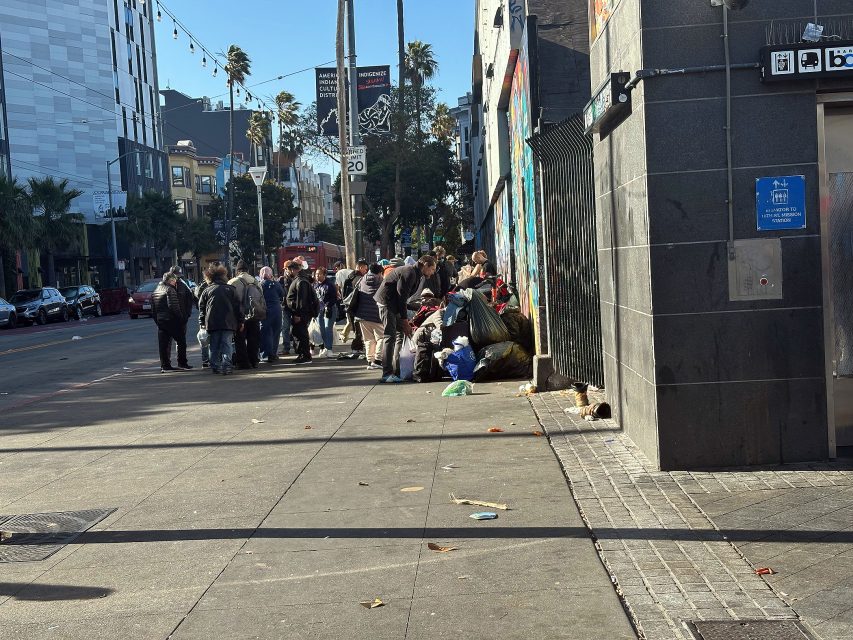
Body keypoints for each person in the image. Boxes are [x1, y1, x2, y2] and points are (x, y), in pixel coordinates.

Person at [374, 255, 437, 383]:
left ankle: (397, 370)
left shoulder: (416, 274)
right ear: (425, 265)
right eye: (432, 268)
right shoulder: (410, 272)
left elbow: (403, 298)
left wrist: (414, 307)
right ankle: (387, 374)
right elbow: (401, 296)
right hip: (387, 304)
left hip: (393, 304)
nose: (433, 272)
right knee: (389, 337)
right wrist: (404, 320)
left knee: (399, 335)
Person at [197, 262, 241, 375]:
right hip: (229, 322)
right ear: (224, 276)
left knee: (214, 345)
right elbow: (238, 307)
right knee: (227, 345)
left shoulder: (207, 290)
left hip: (212, 323)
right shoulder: (231, 289)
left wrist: (202, 322)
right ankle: (227, 366)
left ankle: (215, 366)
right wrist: (241, 321)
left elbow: (202, 308)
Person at [151, 271, 190, 372]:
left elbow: (153, 310)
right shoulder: (170, 290)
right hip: (172, 321)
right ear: (170, 280)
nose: (175, 283)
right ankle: (182, 363)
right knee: (181, 341)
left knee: (163, 345)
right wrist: (181, 319)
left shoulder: (156, 291)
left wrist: (158, 321)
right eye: (174, 281)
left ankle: (165, 365)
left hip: (161, 321)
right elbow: (174, 307)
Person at [229, 260, 262, 369]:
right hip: (254, 314)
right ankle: (254, 360)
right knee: (254, 339)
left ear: (237, 271)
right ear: (247, 270)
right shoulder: (255, 281)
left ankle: (243, 362)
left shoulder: (232, 282)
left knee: (240, 339)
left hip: (240, 316)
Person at [285, 261, 317, 364]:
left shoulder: (301, 281)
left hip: (300, 313)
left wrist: (298, 314)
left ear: (293, 269)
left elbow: (301, 300)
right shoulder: (300, 279)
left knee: (301, 334)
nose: (287, 272)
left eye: (288, 270)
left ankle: (305, 356)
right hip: (300, 312)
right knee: (298, 333)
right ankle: (302, 354)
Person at [339, 259, 368, 343]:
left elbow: (343, 294)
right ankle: (357, 346)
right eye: (365, 269)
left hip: (349, 306)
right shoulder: (361, 279)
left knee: (355, 329)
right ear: (360, 267)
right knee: (359, 330)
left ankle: (356, 347)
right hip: (359, 307)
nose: (366, 271)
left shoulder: (348, 278)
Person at [259, 266, 284, 362]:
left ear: (261, 275)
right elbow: (282, 294)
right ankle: (273, 354)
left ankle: (266, 354)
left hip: (265, 311)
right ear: (271, 275)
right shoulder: (276, 284)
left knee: (266, 332)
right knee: (276, 332)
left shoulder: (260, 285)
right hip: (277, 310)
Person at [313, 265, 338, 358]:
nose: (317, 276)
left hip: (329, 309)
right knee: (322, 329)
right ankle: (325, 348)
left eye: (319, 274)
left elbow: (334, 298)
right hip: (319, 310)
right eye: (316, 274)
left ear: (324, 275)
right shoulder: (315, 285)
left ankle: (329, 349)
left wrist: (328, 306)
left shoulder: (330, 285)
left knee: (328, 328)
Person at [194, 268, 212, 368]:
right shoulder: (209, 286)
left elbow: (198, 301)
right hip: (210, 315)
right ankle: (211, 359)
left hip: (203, 315)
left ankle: (205, 360)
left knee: (204, 339)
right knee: (211, 339)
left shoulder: (201, 286)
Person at [278, 263, 295, 355]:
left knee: (296, 328)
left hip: (295, 307)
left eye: (288, 269)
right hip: (286, 307)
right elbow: (280, 293)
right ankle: (286, 348)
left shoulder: (296, 279)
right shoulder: (281, 280)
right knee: (285, 328)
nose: (287, 270)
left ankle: (297, 346)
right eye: (286, 269)